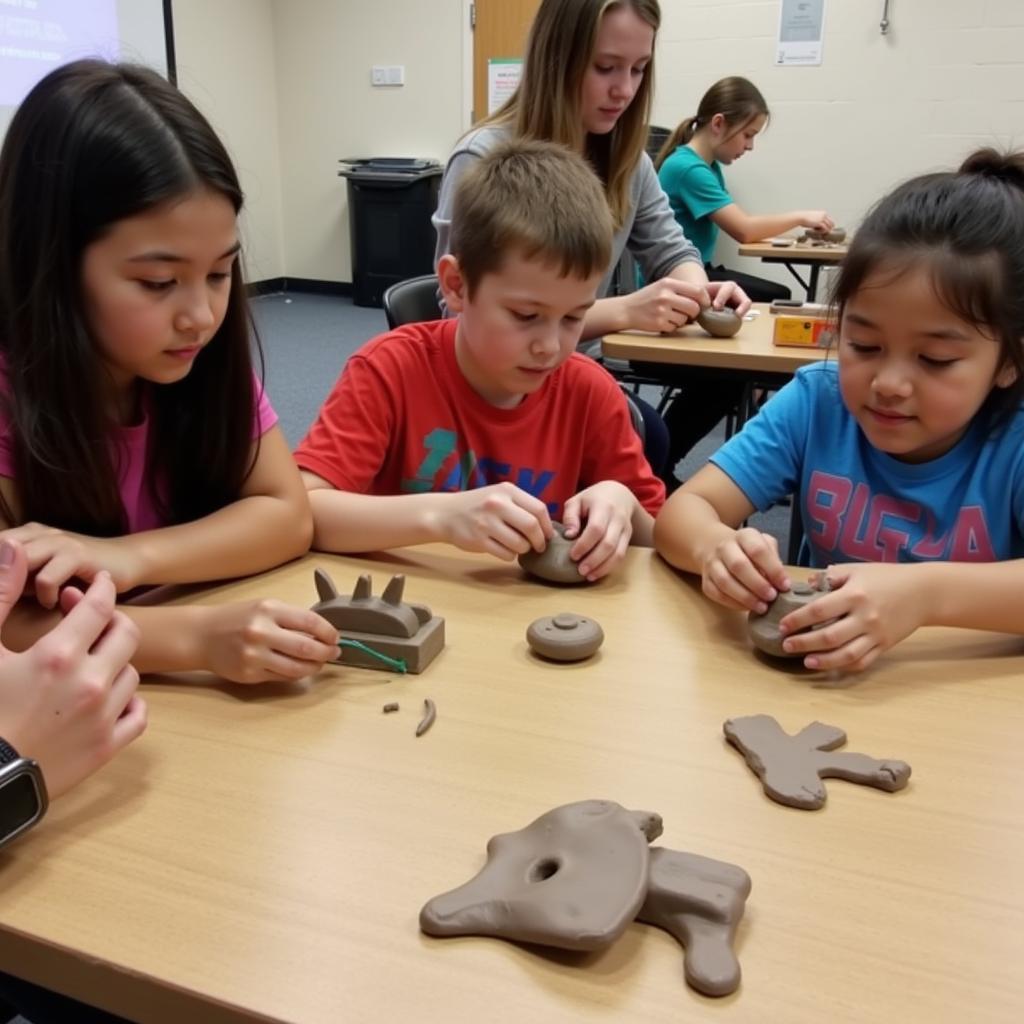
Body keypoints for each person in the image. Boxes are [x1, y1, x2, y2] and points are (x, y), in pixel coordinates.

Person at [0, 60, 338, 683]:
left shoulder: (202, 363)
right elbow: (9, 628)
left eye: (219, 273)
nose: (202, 317)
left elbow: (286, 515)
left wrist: (125, 558)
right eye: (158, 282)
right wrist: (194, 638)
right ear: (49, 265)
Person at [653, 148, 1024, 672]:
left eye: (935, 359)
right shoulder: (819, 403)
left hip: (965, 700)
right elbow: (681, 513)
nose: (888, 384)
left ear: (1010, 361)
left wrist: (926, 595)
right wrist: (716, 549)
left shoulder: (1013, 438)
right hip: (825, 684)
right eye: (864, 345)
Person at [297, 139, 665, 582]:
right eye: (526, 316)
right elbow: (302, 511)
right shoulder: (389, 369)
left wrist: (620, 500)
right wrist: (441, 517)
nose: (551, 346)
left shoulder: (589, 391)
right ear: (456, 285)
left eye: (574, 316)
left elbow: (658, 539)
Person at [431, 0, 751, 483]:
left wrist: (697, 286)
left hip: (576, 373)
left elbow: (673, 249)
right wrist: (625, 311)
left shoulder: (627, 159)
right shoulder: (483, 156)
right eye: (605, 67)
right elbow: (455, 316)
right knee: (648, 446)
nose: (623, 89)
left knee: (654, 442)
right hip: (499, 382)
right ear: (557, 57)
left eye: (639, 69)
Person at [655, 76, 835, 302]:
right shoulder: (688, 169)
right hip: (677, 279)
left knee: (778, 295)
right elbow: (744, 230)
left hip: (697, 270)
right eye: (747, 135)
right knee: (778, 296)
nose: (750, 146)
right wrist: (801, 217)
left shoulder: (708, 166)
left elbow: (744, 224)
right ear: (718, 124)